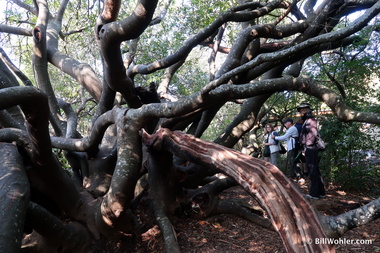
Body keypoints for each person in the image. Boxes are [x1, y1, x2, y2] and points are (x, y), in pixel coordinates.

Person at [297, 102, 326, 200]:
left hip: (311, 148)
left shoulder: (310, 120)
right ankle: (321, 192)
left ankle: (314, 194)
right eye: (301, 110)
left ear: (308, 109)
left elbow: (313, 134)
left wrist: (307, 146)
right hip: (309, 148)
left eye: (305, 109)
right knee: (315, 171)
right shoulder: (307, 120)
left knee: (313, 171)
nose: (303, 111)